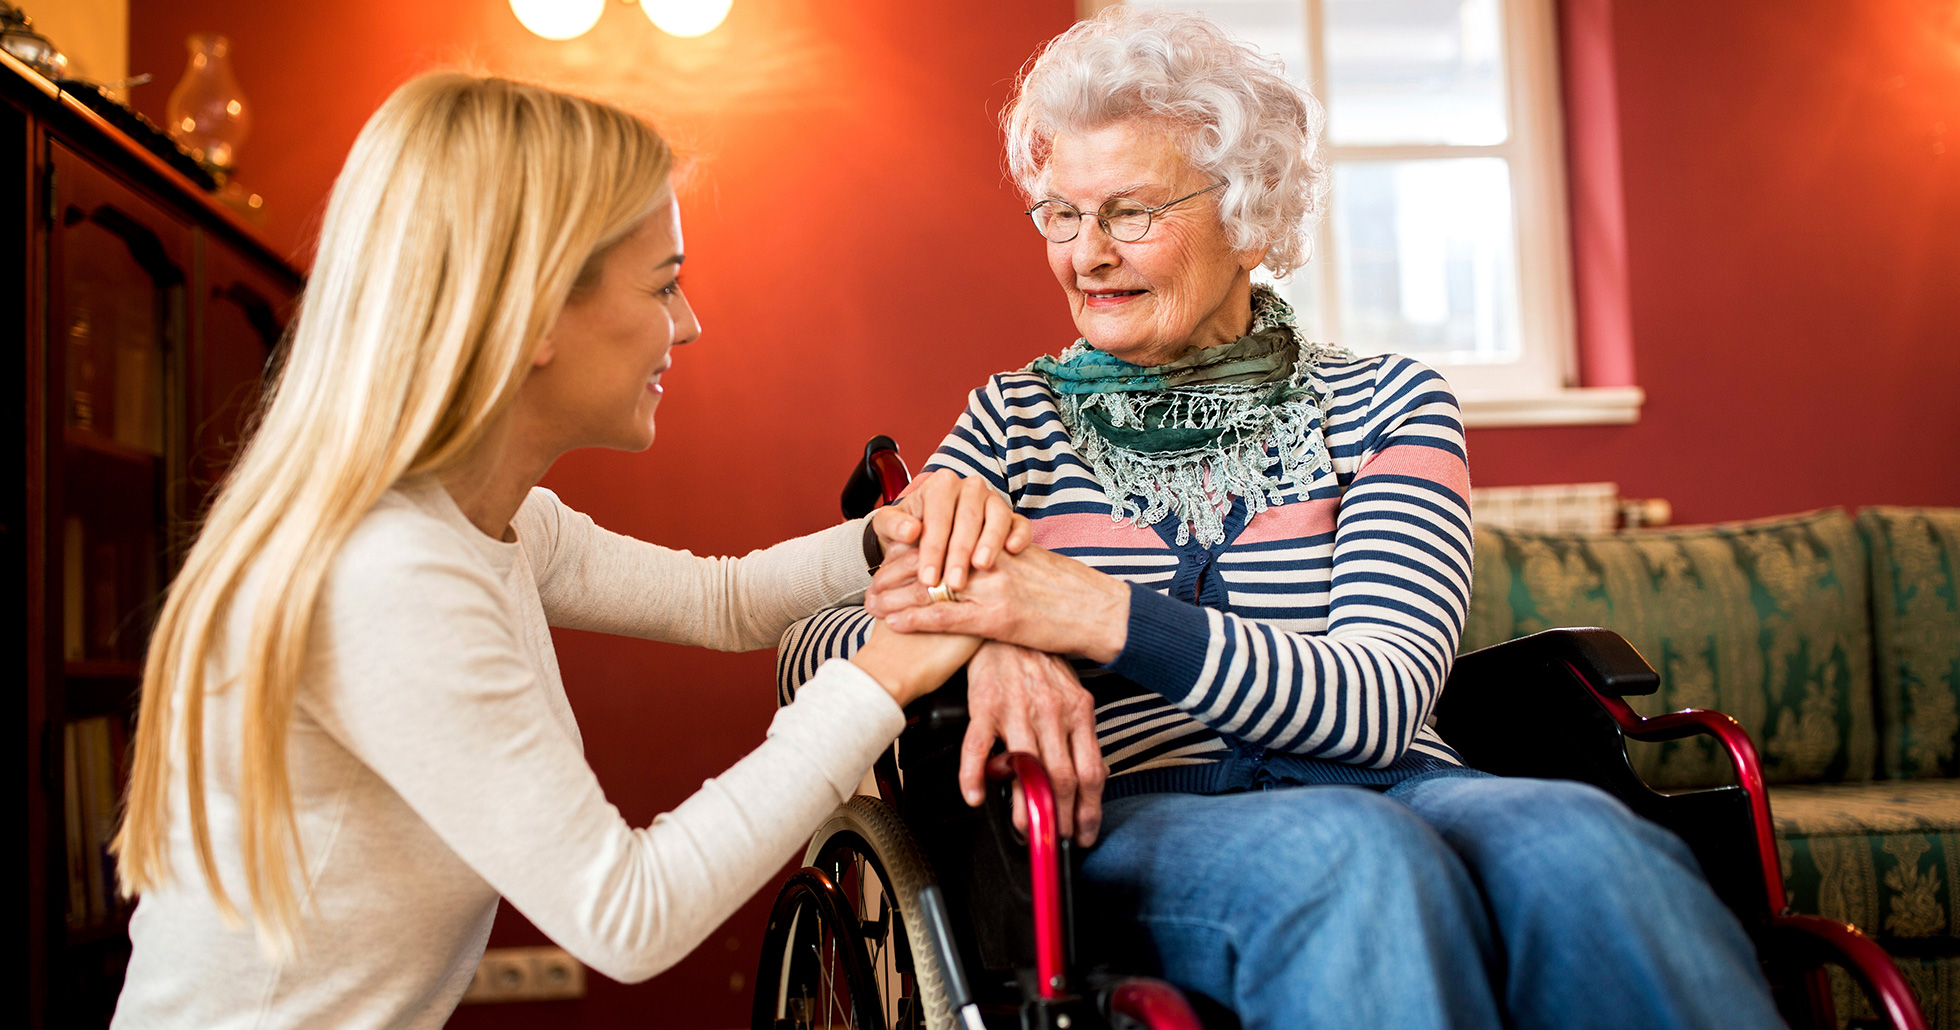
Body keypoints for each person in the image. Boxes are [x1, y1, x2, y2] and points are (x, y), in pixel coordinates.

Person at [780, 10, 1788, 1029]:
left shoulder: (1388, 403)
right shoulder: (1012, 423)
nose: (1087, 255)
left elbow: (1378, 702)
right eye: (1061, 214)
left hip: (1402, 786)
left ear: (1250, 220)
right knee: (1347, 857)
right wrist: (982, 640)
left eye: (1130, 212)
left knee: (1589, 844)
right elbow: (811, 643)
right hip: (1138, 823)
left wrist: (1084, 610)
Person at [109, 74, 1018, 1029]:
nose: (689, 323)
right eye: (663, 284)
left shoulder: (497, 523)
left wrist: (887, 536)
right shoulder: (391, 575)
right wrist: (889, 674)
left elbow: (722, 601)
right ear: (536, 313)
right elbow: (629, 914)